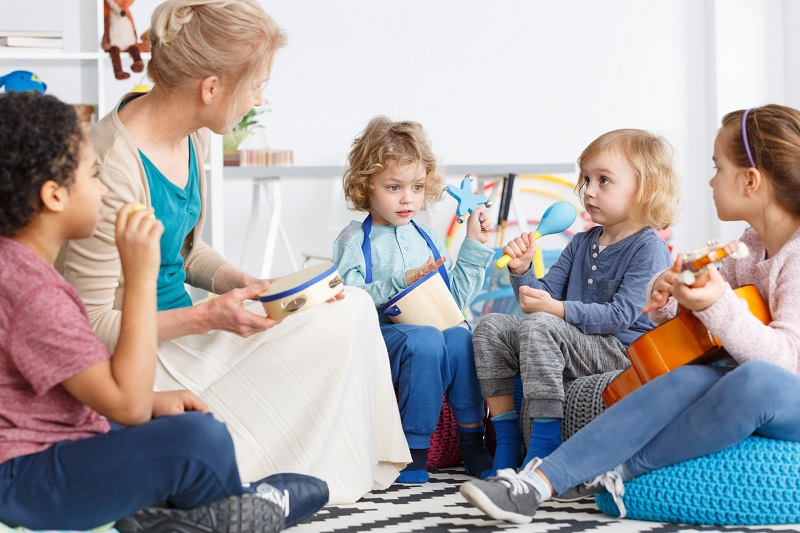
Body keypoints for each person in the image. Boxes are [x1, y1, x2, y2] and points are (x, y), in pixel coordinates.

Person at [59, 0, 409, 505]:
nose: (259, 98)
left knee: (350, 303)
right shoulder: (111, 167)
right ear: (211, 88)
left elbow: (185, 251)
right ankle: (291, 471)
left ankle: (347, 462)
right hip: (140, 359)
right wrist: (206, 318)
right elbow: (87, 326)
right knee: (339, 318)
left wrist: (247, 285)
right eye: (256, 86)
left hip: (185, 329)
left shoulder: (192, 135)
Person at [460, 104, 800, 524]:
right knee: (688, 377)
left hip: (780, 389)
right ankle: (536, 485)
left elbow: (784, 363)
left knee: (754, 378)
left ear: (750, 181)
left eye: (718, 167)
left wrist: (715, 303)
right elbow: (693, 324)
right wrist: (671, 297)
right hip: (750, 384)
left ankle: (621, 471)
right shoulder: (750, 244)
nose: (711, 179)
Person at [0, 91, 291, 532]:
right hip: (26, 481)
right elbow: (129, 407)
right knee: (200, 440)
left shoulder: (16, 268)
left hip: (40, 455)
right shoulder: (36, 292)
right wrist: (139, 275)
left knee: (187, 426)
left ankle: (199, 511)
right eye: (93, 175)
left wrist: (153, 403)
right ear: (54, 196)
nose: (102, 188)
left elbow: (65, 387)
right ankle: (239, 509)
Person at [474, 129, 681, 475]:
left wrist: (553, 310)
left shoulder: (649, 247)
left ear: (644, 189)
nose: (589, 191)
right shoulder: (582, 243)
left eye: (604, 180)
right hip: (571, 342)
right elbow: (540, 298)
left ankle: (545, 444)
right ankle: (507, 440)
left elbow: (620, 315)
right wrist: (522, 270)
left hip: (621, 350)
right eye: (586, 179)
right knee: (490, 326)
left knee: (541, 324)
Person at [333, 116, 496, 483]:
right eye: (394, 187)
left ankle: (473, 442)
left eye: (417, 186)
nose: (408, 198)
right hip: (378, 337)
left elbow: (454, 301)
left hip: (429, 332)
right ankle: (414, 449)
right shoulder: (353, 239)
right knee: (425, 340)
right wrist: (399, 282)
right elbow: (346, 298)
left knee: (460, 336)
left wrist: (473, 245)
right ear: (367, 184)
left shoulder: (426, 238)